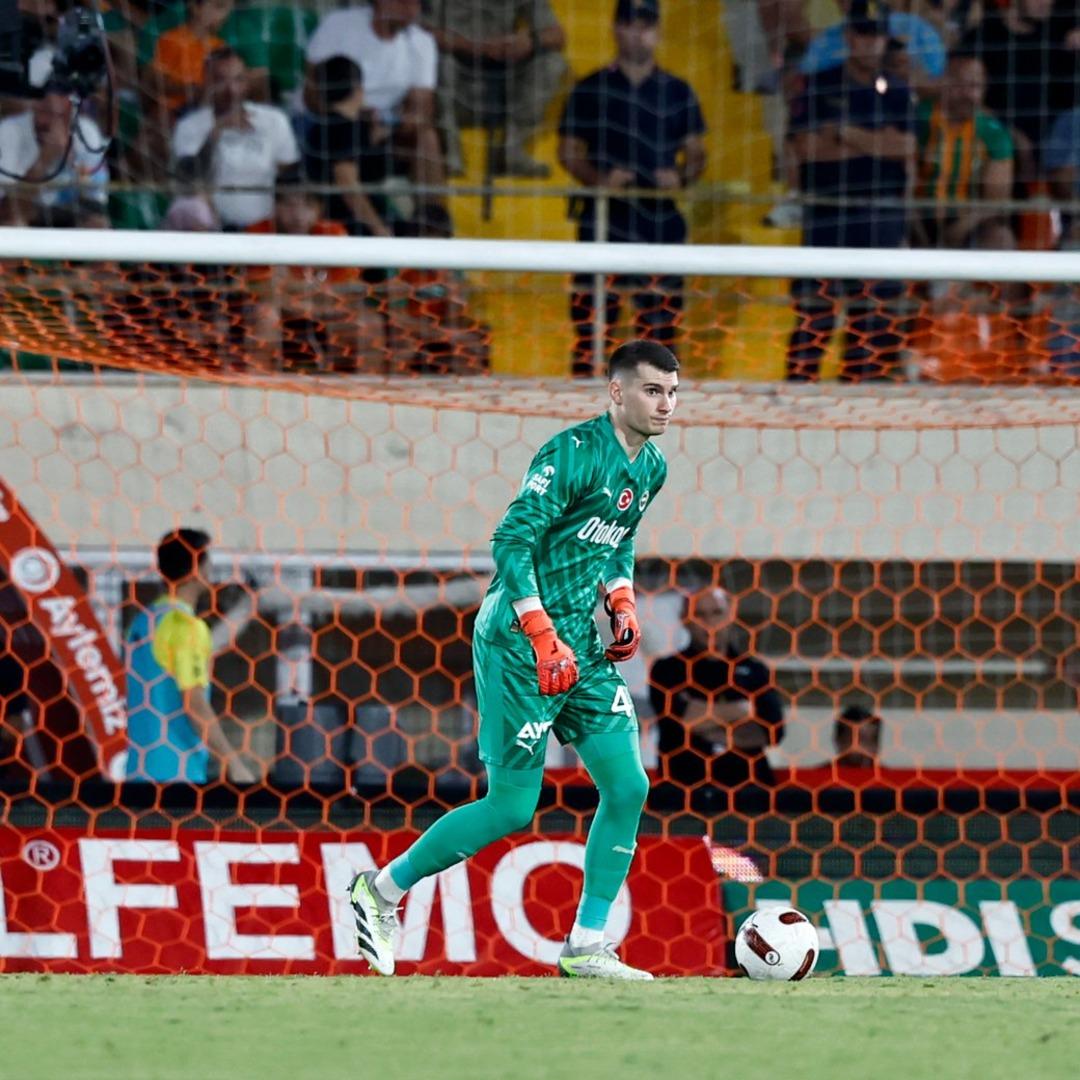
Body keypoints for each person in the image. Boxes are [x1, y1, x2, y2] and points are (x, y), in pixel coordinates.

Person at [346, 339, 677, 980]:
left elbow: (619, 542)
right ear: (616, 392)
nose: (664, 404)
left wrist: (623, 601)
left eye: (671, 392)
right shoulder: (571, 454)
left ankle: (585, 945)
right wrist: (539, 629)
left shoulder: (652, 467)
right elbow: (510, 539)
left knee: (629, 784)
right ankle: (380, 891)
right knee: (511, 807)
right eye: (650, 390)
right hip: (519, 643)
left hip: (580, 644)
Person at [557, 0, 707, 377]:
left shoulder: (677, 90)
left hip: (659, 213)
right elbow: (568, 151)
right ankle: (583, 389)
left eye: (645, 24)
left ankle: (657, 394)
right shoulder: (592, 87)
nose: (637, 32)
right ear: (615, 28)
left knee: (661, 318)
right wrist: (600, 181)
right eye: (628, 23)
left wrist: (681, 177)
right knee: (592, 315)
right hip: (608, 215)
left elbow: (697, 153)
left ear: (656, 32)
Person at [785, 0, 916, 381]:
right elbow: (806, 149)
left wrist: (844, 133)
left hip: (880, 213)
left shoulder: (897, 91)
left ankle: (860, 390)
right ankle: (797, 393)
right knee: (816, 310)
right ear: (848, 36)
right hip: (828, 210)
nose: (870, 43)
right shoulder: (820, 83)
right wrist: (879, 140)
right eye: (863, 33)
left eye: (877, 35)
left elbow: (906, 147)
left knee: (873, 315)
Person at [126, 528, 255, 784]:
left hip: (137, 774)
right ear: (198, 570)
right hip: (176, 777)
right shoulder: (187, 626)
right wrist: (234, 764)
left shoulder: (143, 622)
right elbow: (194, 704)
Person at [648, 587, 785, 807]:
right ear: (686, 619)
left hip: (748, 795)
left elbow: (773, 731)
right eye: (700, 614)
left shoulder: (753, 670)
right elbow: (684, 722)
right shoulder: (667, 670)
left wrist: (706, 720)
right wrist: (742, 712)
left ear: (730, 616)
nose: (709, 622)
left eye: (717, 612)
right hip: (684, 795)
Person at [305, 0, 445, 203]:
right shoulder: (339, 25)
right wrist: (354, 117)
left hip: (384, 129)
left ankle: (434, 225)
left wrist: (391, 124)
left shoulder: (422, 43)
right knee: (344, 133)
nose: (412, 10)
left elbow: (422, 111)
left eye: (417, 5)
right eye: (406, 3)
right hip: (331, 122)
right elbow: (311, 95)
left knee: (428, 139)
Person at [424, 0, 568, 178]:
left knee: (553, 63)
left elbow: (558, 35)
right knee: (438, 61)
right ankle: (448, 153)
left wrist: (529, 41)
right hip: (452, 84)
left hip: (502, 80)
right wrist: (476, 47)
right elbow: (420, 32)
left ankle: (511, 152)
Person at [171, 47, 300, 230]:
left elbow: (290, 177)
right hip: (212, 229)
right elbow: (188, 182)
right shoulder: (190, 126)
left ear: (247, 81)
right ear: (206, 82)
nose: (231, 89)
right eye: (220, 80)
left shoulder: (274, 120)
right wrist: (215, 133)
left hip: (265, 227)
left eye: (238, 79)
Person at [911, 51, 1013, 250]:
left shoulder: (992, 132)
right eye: (960, 84)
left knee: (1001, 238)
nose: (968, 94)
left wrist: (962, 227)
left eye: (975, 86)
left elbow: (997, 201)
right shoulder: (917, 120)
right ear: (943, 83)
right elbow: (899, 185)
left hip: (967, 222)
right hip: (915, 217)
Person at [296, 56, 393, 238]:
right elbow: (347, 183)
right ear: (359, 89)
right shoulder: (347, 129)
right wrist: (378, 227)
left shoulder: (322, 126)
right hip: (348, 229)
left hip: (332, 224)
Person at [0, 87, 109, 228]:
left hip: (67, 214)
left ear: (70, 111)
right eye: (43, 111)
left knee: (98, 224)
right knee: (13, 222)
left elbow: (96, 201)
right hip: (29, 216)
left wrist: (73, 166)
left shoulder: (87, 133)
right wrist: (45, 159)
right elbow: (7, 210)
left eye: (56, 115)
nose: (45, 122)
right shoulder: (9, 131)